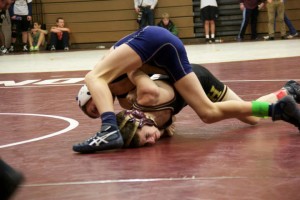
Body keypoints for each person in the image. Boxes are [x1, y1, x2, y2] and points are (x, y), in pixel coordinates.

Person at [72, 26, 300, 153]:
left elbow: (143, 91)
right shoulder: (124, 100)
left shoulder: (105, 72)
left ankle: (107, 129)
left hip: (154, 40)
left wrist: (134, 74)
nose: (100, 108)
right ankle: (279, 107)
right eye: (97, 113)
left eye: (95, 108)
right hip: (166, 55)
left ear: (92, 93)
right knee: (209, 114)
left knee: (92, 75)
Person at [76, 64, 300, 148]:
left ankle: (281, 101)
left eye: (94, 108)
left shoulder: (141, 95)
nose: (98, 112)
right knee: (250, 118)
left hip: (198, 79)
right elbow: (167, 125)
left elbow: (136, 69)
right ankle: (287, 91)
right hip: (182, 90)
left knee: (247, 116)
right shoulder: (128, 105)